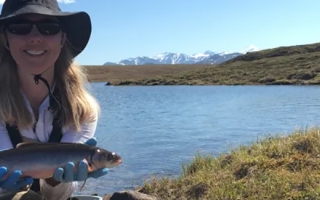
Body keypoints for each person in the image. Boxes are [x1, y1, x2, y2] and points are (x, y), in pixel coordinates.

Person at [0, 0, 109, 199]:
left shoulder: (83, 110)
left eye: (48, 28)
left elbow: (60, 195)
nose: (34, 37)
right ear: (5, 39)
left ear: (62, 39)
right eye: (20, 27)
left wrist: (56, 180)